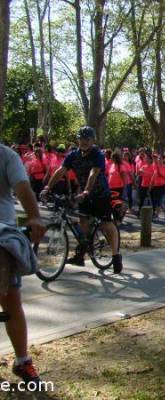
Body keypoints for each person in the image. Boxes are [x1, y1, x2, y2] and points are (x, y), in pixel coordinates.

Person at [42, 126, 123, 274]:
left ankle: (116, 255)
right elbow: (60, 171)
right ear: (77, 140)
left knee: (106, 224)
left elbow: (93, 173)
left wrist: (86, 191)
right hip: (83, 194)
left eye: (87, 139)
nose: (84, 141)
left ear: (92, 140)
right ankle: (81, 254)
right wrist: (47, 188)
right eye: (81, 138)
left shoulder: (97, 155)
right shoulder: (73, 155)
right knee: (83, 222)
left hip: (100, 194)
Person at [0, 143, 45, 386]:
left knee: (11, 300)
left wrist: (35, 216)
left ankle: (22, 361)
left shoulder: (7, 156)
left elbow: (22, 187)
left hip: (2, 236)